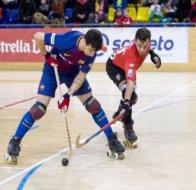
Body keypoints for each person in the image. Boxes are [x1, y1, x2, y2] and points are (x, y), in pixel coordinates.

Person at [4, 29, 125, 165]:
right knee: (38, 110)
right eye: (90, 49)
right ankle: (15, 141)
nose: (92, 53)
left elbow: (80, 78)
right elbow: (37, 36)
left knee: (93, 105)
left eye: (94, 51)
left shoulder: (91, 53)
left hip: (72, 72)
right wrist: (47, 56)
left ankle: (111, 139)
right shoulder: (67, 40)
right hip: (52, 69)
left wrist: (68, 95)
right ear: (85, 41)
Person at [106, 27, 161, 148]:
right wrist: (126, 102)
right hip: (114, 67)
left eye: (145, 46)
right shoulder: (131, 57)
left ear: (149, 42)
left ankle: (119, 113)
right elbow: (130, 83)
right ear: (135, 41)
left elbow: (147, 47)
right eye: (139, 46)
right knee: (130, 96)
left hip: (123, 65)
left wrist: (152, 54)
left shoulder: (145, 42)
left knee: (131, 98)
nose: (142, 50)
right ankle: (128, 125)